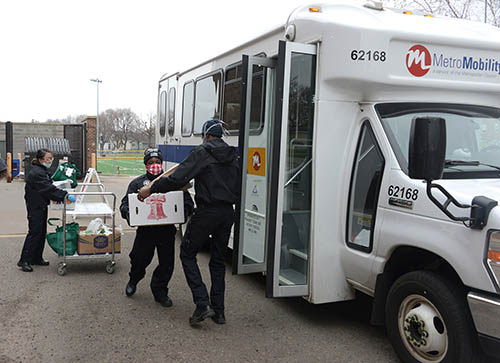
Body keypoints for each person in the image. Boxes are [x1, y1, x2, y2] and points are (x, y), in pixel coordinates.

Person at [138, 119, 240, 326]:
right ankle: (219, 312)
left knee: (187, 253)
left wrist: (150, 189)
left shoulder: (202, 152)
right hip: (228, 212)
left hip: (207, 212)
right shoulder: (233, 155)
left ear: (206, 135)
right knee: (218, 261)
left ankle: (203, 304)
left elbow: (177, 178)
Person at [120, 148, 194, 307]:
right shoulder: (137, 184)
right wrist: (128, 213)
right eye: (151, 163)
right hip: (145, 232)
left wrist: (184, 213)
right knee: (139, 259)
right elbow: (125, 204)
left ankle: (160, 291)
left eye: (157, 162)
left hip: (166, 231)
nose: (154, 165)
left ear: (162, 163)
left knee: (167, 264)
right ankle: (134, 280)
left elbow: (187, 203)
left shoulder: (173, 183)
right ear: (145, 165)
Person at [18, 149, 76, 272]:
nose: (50, 161)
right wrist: (65, 195)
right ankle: (24, 260)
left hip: (40, 204)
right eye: (47, 159)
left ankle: (36, 257)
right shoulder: (37, 173)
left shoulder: (42, 170)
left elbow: (49, 185)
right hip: (35, 206)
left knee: (41, 232)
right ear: (40, 160)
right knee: (35, 232)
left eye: (51, 158)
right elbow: (48, 189)